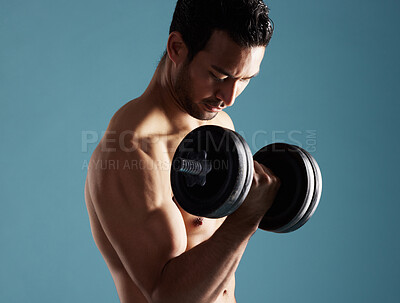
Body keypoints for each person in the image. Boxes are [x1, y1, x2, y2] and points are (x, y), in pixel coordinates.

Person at [85, 0, 280, 302]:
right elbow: (167, 297)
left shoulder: (219, 126)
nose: (228, 96)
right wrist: (244, 220)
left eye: (244, 80)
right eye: (219, 75)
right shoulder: (129, 152)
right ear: (177, 48)